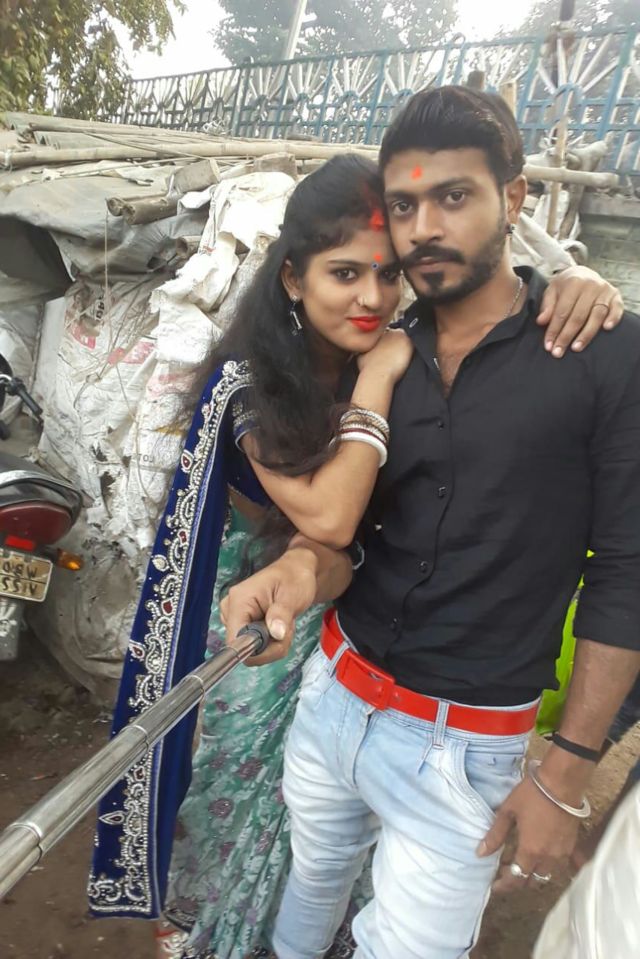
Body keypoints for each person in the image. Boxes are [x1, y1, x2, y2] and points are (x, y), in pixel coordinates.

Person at [88, 138, 624, 958]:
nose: (372, 296)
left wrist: (578, 284)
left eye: (387, 272)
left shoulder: (397, 348)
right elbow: (334, 517)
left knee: (333, 852)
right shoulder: (255, 384)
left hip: (365, 638)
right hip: (268, 623)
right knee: (252, 809)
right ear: (293, 279)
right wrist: (377, 381)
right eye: (344, 273)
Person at [221, 86, 640, 959]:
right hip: (334, 695)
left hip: (466, 750)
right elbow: (356, 539)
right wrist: (300, 566)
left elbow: (627, 570)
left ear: (514, 197)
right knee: (311, 886)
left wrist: (565, 772)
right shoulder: (379, 354)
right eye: (405, 206)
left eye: (453, 196)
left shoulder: (601, 353)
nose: (423, 229)